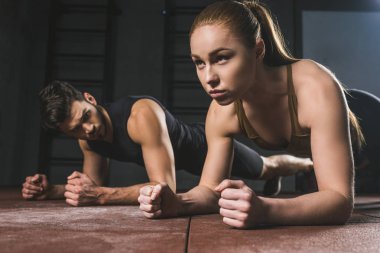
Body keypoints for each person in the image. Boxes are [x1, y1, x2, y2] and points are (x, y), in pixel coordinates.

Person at [138, 0, 364, 228]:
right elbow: (210, 189)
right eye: (199, 63)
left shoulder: (315, 88)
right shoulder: (222, 112)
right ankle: (304, 165)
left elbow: (340, 201)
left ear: (258, 50)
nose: (209, 78)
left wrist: (266, 210)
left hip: (369, 131)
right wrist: (178, 202)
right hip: (310, 151)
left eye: (222, 58)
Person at [21, 81, 313, 206]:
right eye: (77, 131)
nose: (89, 129)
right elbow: (93, 183)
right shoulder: (88, 140)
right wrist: (54, 190)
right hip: (186, 163)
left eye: (86, 117)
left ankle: (308, 163)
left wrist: (100, 197)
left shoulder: (140, 115)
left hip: (207, 148)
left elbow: (165, 189)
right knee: (260, 171)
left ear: (90, 99)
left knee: (265, 166)